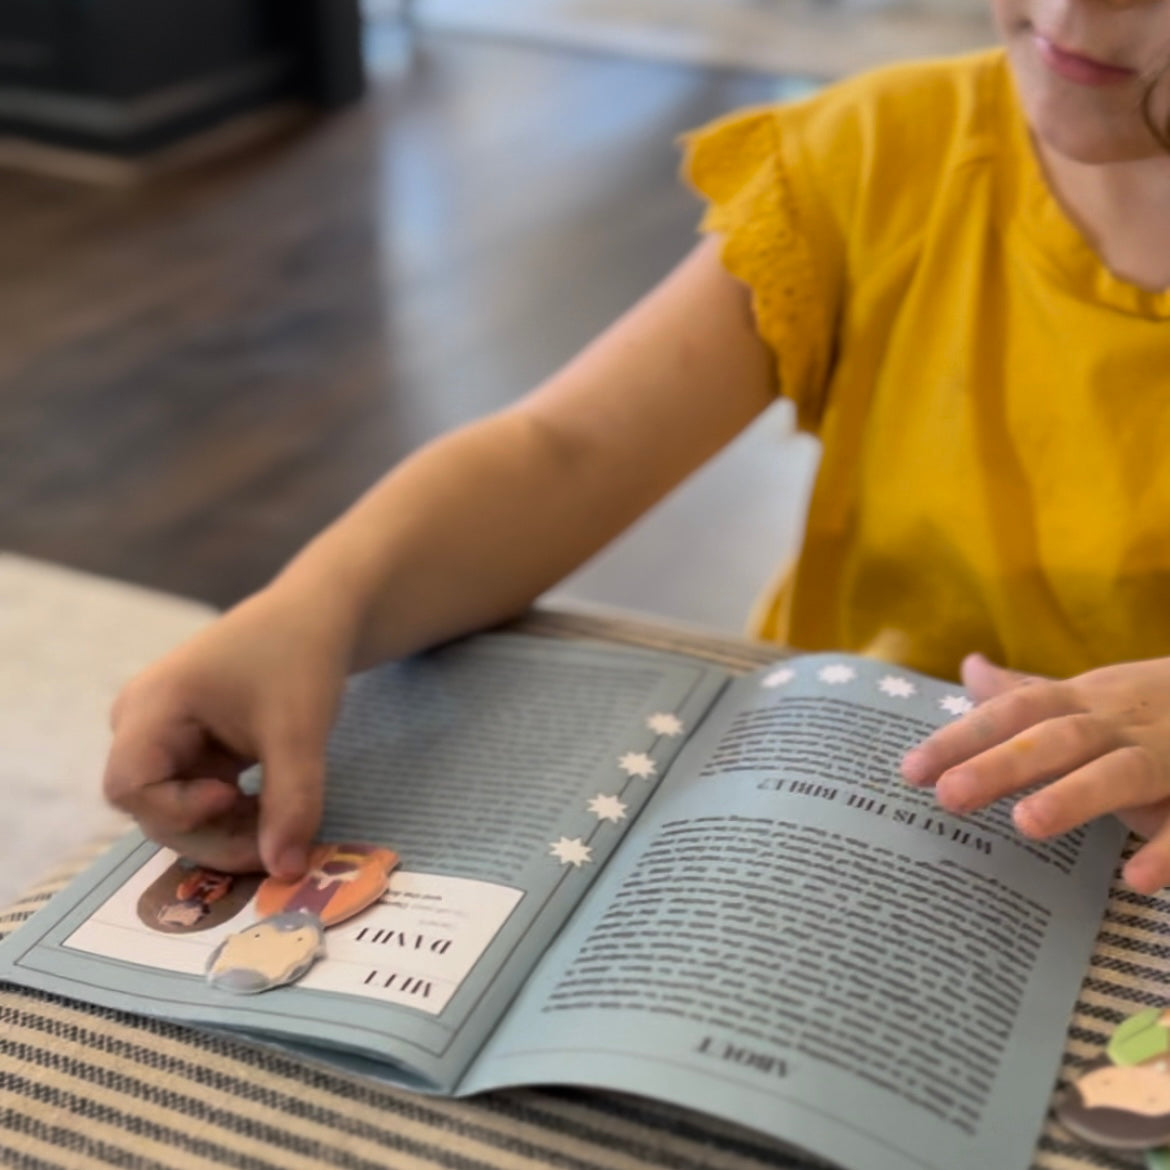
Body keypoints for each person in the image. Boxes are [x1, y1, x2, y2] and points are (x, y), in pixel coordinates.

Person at [102, 1, 1170, 895]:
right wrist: (312, 609)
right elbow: (566, 452)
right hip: (849, 799)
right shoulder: (884, 150)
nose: (1077, 9)